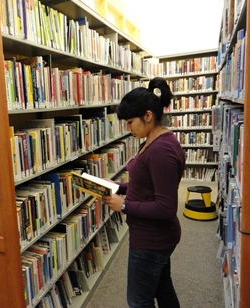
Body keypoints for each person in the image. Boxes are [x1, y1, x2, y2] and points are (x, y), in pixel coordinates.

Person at [102, 77, 185, 308]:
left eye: (130, 122)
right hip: (154, 236)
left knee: (138, 301)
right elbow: (147, 184)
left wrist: (124, 205)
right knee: (163, 289)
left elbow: (166, 208)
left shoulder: (161, 149)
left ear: (148, 116)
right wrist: (118, 187)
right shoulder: (153, 140)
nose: (128, 129)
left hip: (152, 240)